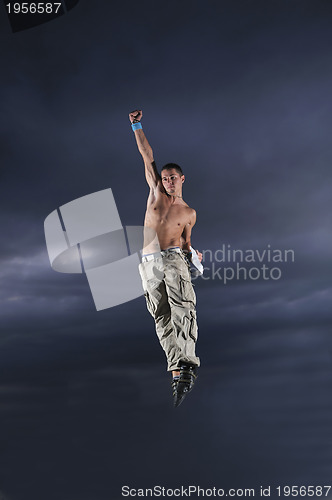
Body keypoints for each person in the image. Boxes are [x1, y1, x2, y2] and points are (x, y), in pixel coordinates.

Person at [129, 109, 202, 407]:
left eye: (173, 178)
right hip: (147, 264)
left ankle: (188, 361)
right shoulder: (156, 194)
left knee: (182, 308)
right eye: (165, 178)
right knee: (161, 316)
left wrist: (193, 255)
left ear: (182, 179)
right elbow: (147, 154)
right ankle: (177, 371)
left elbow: (186, 243)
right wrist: (136, 125)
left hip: (173, 260)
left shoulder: (189, 213)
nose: (168, 182)